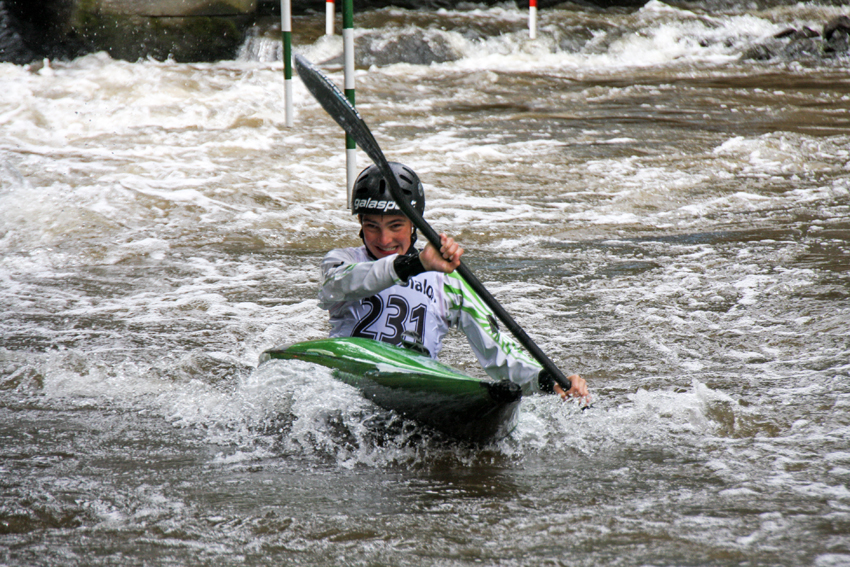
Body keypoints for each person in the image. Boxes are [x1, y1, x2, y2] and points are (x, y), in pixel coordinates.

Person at [318, 162, 589, 402]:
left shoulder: (447, 281)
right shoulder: (341, 262)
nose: (385, 239)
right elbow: (342, 284)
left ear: (415, 225)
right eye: (372, 226)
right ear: (360, 224)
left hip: (415, 392)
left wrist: (548, 380)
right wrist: (416, 265)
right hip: (352, 387)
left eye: (396, 225)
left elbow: (497, 349)